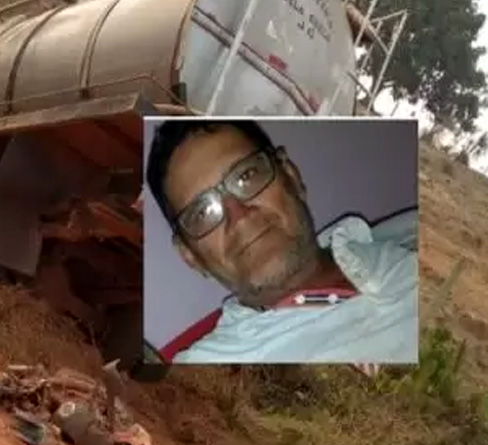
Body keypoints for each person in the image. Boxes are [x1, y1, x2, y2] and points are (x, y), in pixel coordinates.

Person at [145, 119, 418, 365]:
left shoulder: (410, 236)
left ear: (291, 175)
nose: (238, 215)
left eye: (246, 176)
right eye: (202, 213)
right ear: (190, 257)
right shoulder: (210, 376)